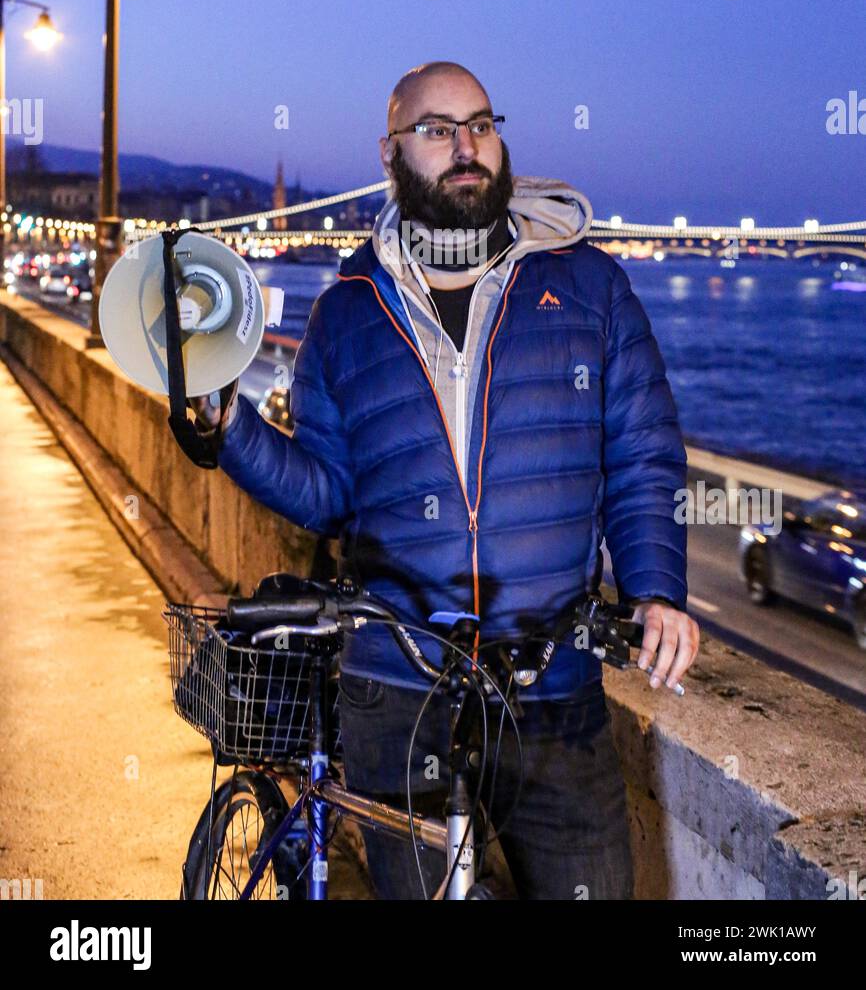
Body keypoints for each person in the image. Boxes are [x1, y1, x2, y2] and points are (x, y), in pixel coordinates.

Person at [190, 60, 700, 900]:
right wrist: (228, 432)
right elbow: (327, 492)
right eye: (436, 129)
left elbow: (642, 452)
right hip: (398, 691)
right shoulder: (348, 309)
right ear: (390, 154)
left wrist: (655, 589)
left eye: (482, 125)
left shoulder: (588, 286)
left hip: (552, 685)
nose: (466, 147)